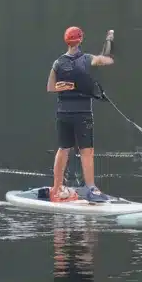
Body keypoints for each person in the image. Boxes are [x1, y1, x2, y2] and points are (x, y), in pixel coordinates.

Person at [46, 26, 114, 203]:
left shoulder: (57, 63)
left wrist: (68, 86)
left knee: (63, 149)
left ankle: (56, 188)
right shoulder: (87, 59)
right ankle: (91, 188)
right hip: (82, 113)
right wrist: (110, 40)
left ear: (66, 41)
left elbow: (51, 88)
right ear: (80, 40)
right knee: (86, 151)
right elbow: (107, 60)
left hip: (63, 113)